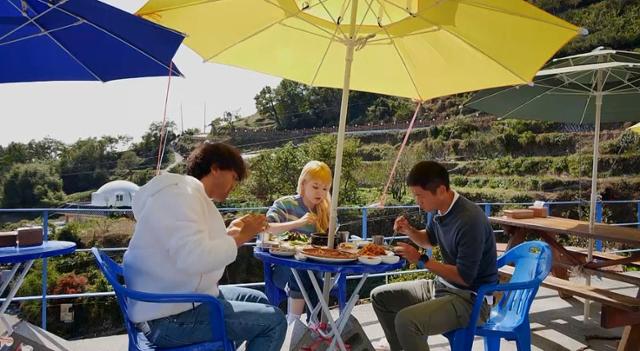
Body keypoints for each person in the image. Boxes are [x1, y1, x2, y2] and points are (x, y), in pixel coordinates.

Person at [123, 142, 286, 351]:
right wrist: (241, 237)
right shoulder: (182, 197)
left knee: (259, 298)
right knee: (274, 322)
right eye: (234, 177)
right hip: (168, 318)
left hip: (173, 298)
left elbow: (191, 246)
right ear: (215, 168)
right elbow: (194, 259)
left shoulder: (185, 194)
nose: (234, 185)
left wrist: (232, 233)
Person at [371, 161, 497, 351]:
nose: (417, 201)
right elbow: (428, 240)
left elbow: (464, 277)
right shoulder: (441, 210)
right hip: (442, 288)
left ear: (440, 190)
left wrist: (422, 260)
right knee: (380, 297)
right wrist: (409, 230)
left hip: (471, 300)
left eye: (420, 196)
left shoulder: (469, 220)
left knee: (407, 321)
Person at [266, 160, 332, 324]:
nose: (320, 192)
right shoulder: (286, 204)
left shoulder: (324, 210)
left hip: (313, 270)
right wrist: (298, 223)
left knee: (318, 285)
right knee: (305, 273)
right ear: (303, 184)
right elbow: (266, 228)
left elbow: (330, 244)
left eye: (325, 188)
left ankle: (314, 329)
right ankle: (294, 323)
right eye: (315, 186)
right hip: (283, 269)